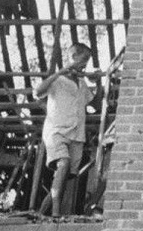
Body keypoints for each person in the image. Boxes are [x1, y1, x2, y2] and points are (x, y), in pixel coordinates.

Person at [35, 42, 100, 216]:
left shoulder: (81, 83)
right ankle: (56, 215)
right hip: (56, 131)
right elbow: (37, 92)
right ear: (72, 57)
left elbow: (95, 105)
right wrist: (60, 72)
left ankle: (41, 213)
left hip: (76, 134)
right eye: (82, 60)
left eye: (86, 62)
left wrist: (98, 82)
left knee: (63, 179)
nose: (84, 65)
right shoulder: (58, 80)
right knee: (63, 164)